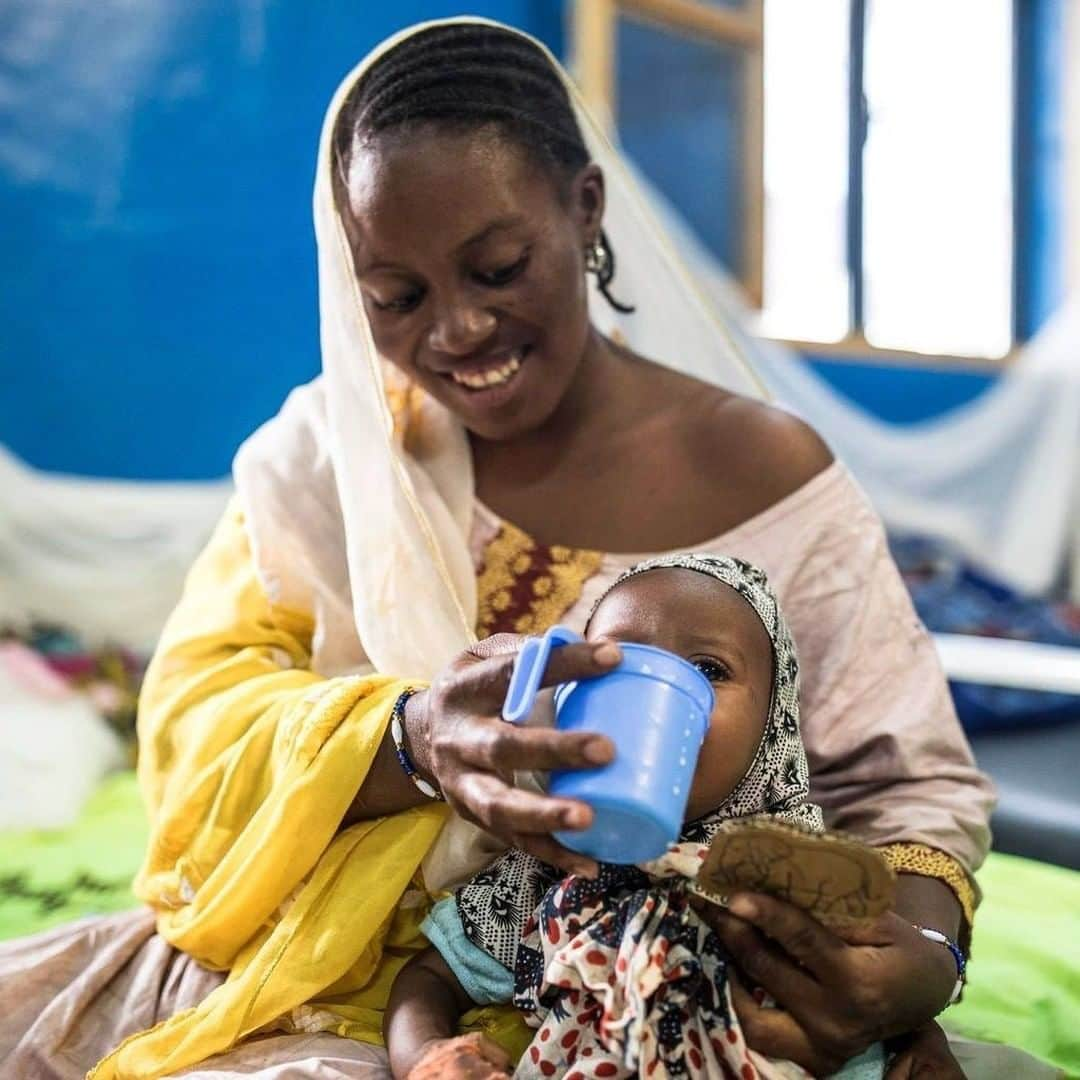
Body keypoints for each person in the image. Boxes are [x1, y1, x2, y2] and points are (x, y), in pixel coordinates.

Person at [0, 17, 999, 1080]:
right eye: (396, 297)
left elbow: (910, 786)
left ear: (586, 208)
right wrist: (409, 740)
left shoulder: (766, 478)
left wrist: (924, 954)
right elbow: (192, 725)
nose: (459, 331)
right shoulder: (332, 461)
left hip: (665, 1004)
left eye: (499, 267)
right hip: (317, 981)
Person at [386, 552, 881, 1080]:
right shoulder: (551, 865)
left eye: (708, 670)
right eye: (618, 666)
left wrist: (921, 1035)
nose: (652, 701)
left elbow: (873, 993)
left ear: (772, 727)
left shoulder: (797, 873)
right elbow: (430, 979)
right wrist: (427, 1056)